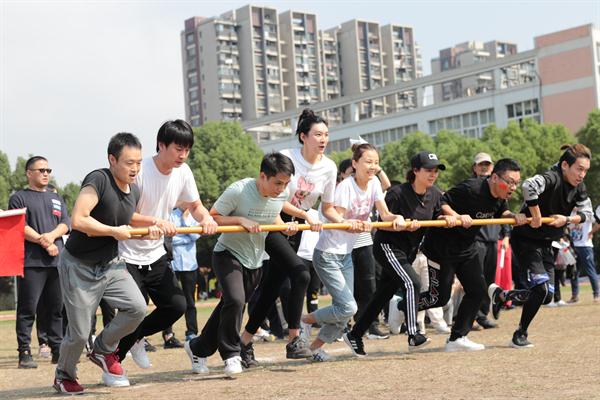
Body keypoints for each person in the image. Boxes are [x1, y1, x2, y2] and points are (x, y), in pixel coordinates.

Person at [53, 133, 153, 394]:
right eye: (129, 163)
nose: (135, 169)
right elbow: (79, 219)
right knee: (80, 332)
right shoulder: (98, 180)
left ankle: (102, 349)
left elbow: (126, 216)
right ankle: (64, 375)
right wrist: (113, 231)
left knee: (137, 308)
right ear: (112, 159)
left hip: (110, 264)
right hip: (79, 265)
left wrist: (155, 223)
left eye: (138, 163)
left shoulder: (134, 189)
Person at [116, 119, 218, 368]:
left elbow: (195, 205)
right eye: (178, 149)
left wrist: (206, 218)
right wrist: (156, 222)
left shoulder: (183, 172)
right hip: (127, 253)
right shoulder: (139, 171)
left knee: (176, 305)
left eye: (187, 150)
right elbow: (124, 214)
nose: (183, 155)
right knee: (135, 310)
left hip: (155, 253)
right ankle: (113, 362)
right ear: (161, 145)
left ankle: (137, 338)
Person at [184, 153, 297, 376]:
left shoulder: (281, 194)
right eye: (278, 183)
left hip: (254, 259)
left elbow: (273, 215)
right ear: (263, 176)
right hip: (228, 254)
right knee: (236, 301)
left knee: (230, 305)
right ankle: (231, 354)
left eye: (286, 184)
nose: (282, 189)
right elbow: (213, 217)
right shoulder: (239, 190)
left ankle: (197, 347)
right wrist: (240, 220)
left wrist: (285, 227)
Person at [239, 108, 336, 365]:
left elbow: (327, 208)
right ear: (303, 136)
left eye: (326, 134)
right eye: (317, 134)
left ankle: (243, 342)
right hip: (273, 220)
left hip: (298, 228)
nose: (323, 139)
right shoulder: (287, 157)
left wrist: (347, 223)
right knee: (301, 274)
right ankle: (295, 339)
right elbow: (272, 196)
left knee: (271, 288)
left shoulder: (329, 167)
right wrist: (295, 219)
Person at [301, 143, 406, 361]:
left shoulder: (374, 183)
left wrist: (397, 218)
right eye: (368, 162)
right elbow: (334, 216)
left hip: (346, 255)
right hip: (327, 254)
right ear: (355, 163)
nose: (373, 166)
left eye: (376, 162)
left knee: (344, 310)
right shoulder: (346, 187)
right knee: (348, 307)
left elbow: (384, 214)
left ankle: (314, 349)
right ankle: (304, 320)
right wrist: (350, 223)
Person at [413, 158, 527, 352]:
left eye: (516, 183)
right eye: (510, 182)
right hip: (442, 247)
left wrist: (513, 217)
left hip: (467, 246)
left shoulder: (501, 195)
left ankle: (457, 338)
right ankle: (402, 307)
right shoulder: (471, 188)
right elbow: (442, 201)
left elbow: (502, 211)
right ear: (494, 177)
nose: (513, 187)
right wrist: (456, 216)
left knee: (477, 291)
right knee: (439, 298)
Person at [490, 144, 593, 348]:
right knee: (542, 289)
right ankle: (520, 334)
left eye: (585, 170)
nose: (582, 175)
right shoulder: (551, 177)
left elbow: (587, 213)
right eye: (579, 169)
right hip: (526, 240)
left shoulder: (579, 188)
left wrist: (566, 219)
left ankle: (504, 295)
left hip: (546, 243)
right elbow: (528, 186)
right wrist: (536, 214)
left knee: (546, 295)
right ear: (565, 165)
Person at [344, 150, 445, 356]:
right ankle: (414, 334)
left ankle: (355, 334)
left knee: (382, 296)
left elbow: (439, 215)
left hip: (408, 251)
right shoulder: (398, 193)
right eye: (428, 170)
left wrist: (449, 218)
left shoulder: (435, 194)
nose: (433, 174)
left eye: (436, 171)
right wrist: (403, 224)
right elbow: (383, 220)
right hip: (388, 247)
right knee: (412, 282)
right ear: (415, 171)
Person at [9, 157, 70, 368]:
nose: (46, 173)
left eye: (48, 170)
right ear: (29, 173)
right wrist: (44, 242)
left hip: (56, 261)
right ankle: (24, 352)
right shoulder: (18, 198)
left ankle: (57, 349)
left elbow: (65, 223)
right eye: (41, 170)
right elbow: (20, 226)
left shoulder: (56, 197)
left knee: (56, 308)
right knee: (28, 309)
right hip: (31, 262)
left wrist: (51, 237)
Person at [471, 152, 510, 329]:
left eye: (487, 164)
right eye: (481, 164)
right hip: (475, 241)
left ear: (493, 168)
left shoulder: (500, 189)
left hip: (493, 240)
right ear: (474, 168)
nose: (484, 167)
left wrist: (506, 236)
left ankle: (483, 315)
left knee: (489, 280)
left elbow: (504, 213)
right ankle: (471, 316)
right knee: (475, 280)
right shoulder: (472, 188)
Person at [170, 207, 201, 341]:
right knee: (169, 300)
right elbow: (168, 239)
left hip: (190, 264)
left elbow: (196, 236)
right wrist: (187, 238)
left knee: (190, 300)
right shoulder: (169, 215)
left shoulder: (195, 216)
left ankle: (192, 332)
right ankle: (168, 334)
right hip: (172, 263)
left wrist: (185, 222)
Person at [567, 205, 600, 303]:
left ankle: (596, 295)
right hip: (573, 246)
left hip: (585, 246)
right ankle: (574, 296)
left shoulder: (588, 213)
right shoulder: (571, 213)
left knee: (590, 271)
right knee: (573, 272)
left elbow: (598, 223)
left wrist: (591, 233)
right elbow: (567, 227)